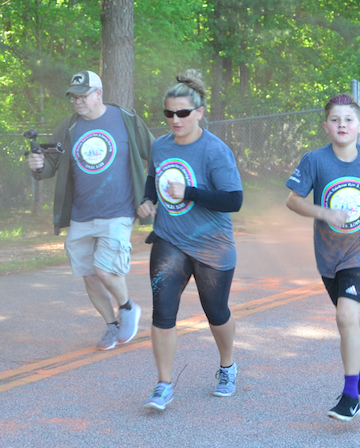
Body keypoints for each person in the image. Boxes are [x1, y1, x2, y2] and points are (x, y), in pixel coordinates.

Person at [136, 70, 243, 411]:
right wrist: (148, 200)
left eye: (182, 113)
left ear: (199, 112)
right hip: (170, 238)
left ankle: (227, 366)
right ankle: (163, 384)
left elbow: (234, 200)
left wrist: (190, 192)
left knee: (216, 312)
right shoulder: (160, 145)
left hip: (212, 243)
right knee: (163, 313)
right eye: (169, 113)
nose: (175, 120)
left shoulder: (215, 151)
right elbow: (153, 178)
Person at [285, 94, 360, 421]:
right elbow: (293, 200)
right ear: (326, 127)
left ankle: (350, 397)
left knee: (345, 315)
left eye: (349, 120)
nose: (342, 125)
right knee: (348, 315)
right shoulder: (314, 161)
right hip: (328, 252)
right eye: (335, 120)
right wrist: (324, 212)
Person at [27, 70, 154, 350]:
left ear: (98, 93)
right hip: (82, 214)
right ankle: (111, 325)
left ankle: (128, 307)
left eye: (83, 95)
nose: (78, 101)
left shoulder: (126, 119)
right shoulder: (68, 127)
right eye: (74, 97)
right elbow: (49, 165)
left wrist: (152, 196)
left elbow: (156, 153)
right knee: (90, 276)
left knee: (104, 269)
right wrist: (38, 166)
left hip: (119, 211)